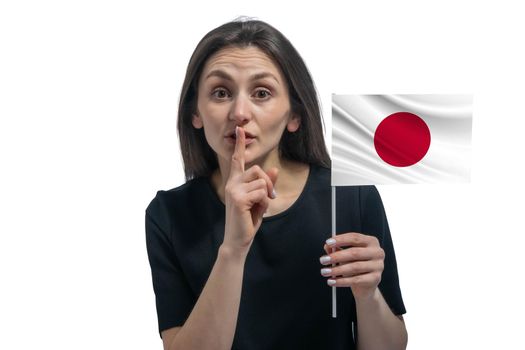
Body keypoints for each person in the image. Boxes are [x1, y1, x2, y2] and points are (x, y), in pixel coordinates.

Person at [145, 18, 407, 350]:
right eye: (221, 92)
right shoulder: (169, 214)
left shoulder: (351, 196)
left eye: (262, 93)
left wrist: (368, 296)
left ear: (294, 115)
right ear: (195, 113)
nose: (240, 112)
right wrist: (233, 250)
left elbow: (392, 345)